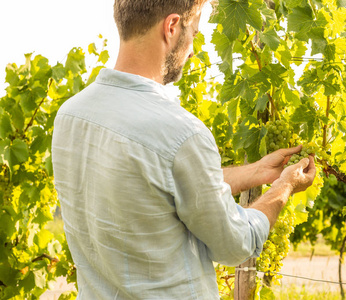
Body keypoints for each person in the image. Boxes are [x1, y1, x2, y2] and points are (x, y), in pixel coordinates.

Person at [51, 0, 316, 299]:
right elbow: (235, 244)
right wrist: (282, 187)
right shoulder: (180, 132)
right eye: (194, 35)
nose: (192, 50)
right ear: (172, 27)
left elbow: (155, 187)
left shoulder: (70, 115)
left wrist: (256, 172)